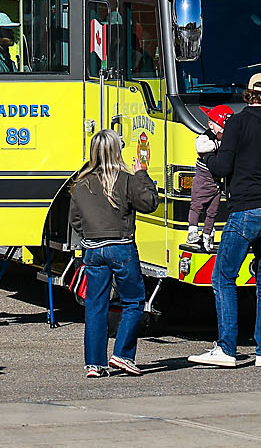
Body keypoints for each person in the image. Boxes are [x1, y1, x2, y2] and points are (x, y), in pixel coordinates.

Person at [189, 72, 261, 369]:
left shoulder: (237, 122)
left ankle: (226, 348)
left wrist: (206, 156)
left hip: (247, 208)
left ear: (248, 93)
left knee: (223, 276)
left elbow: (222, 167)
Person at [69, 129, 157, 378]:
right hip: (121, 245)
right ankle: (123, 355)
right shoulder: (126, 179)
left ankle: (94, 364)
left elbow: (75, 220)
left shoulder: (81, 183)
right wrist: (141, 173)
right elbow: (149, 203)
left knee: (95, 305)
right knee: (133, 301)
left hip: (93, 249)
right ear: (116, 151)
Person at [187, 105, 233, 251]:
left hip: (217, 182)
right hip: (204, 177)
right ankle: (192, 231)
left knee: (213, 210)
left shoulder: (227, 137)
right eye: (221, 127)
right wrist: (217, 143)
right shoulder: (206, 137)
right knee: (197, 204)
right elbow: (200, 147)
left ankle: (207, 234)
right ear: (211, 124)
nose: (224, 131)